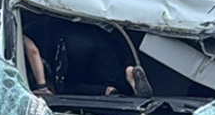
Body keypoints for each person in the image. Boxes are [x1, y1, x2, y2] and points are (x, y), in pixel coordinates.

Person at [23, 20, 151, 97]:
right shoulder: (46, 26)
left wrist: (42, 87)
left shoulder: (24, 32)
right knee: (117, 83)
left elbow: (32, 51)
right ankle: (129, 74)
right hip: (96, 37)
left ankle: (106, 91)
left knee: (64, 89)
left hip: (70, 48)